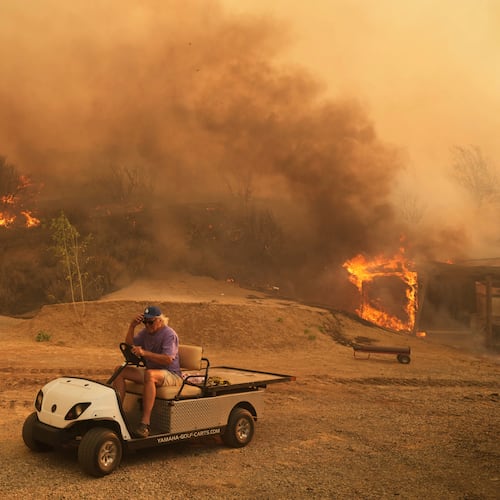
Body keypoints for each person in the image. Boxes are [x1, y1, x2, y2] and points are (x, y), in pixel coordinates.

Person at [113, 305, 182, 438]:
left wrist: (144, 353)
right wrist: (132, 326)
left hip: (171, 374)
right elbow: (130, 344)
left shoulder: (169, 334)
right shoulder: (146, 332)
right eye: (145, 322)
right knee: (119, 370)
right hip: (153, 371)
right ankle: (117, 413)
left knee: (150, 375)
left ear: (160, 320)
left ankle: (145, 423)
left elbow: (168, 359)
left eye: (150, 322)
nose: (147, 325)